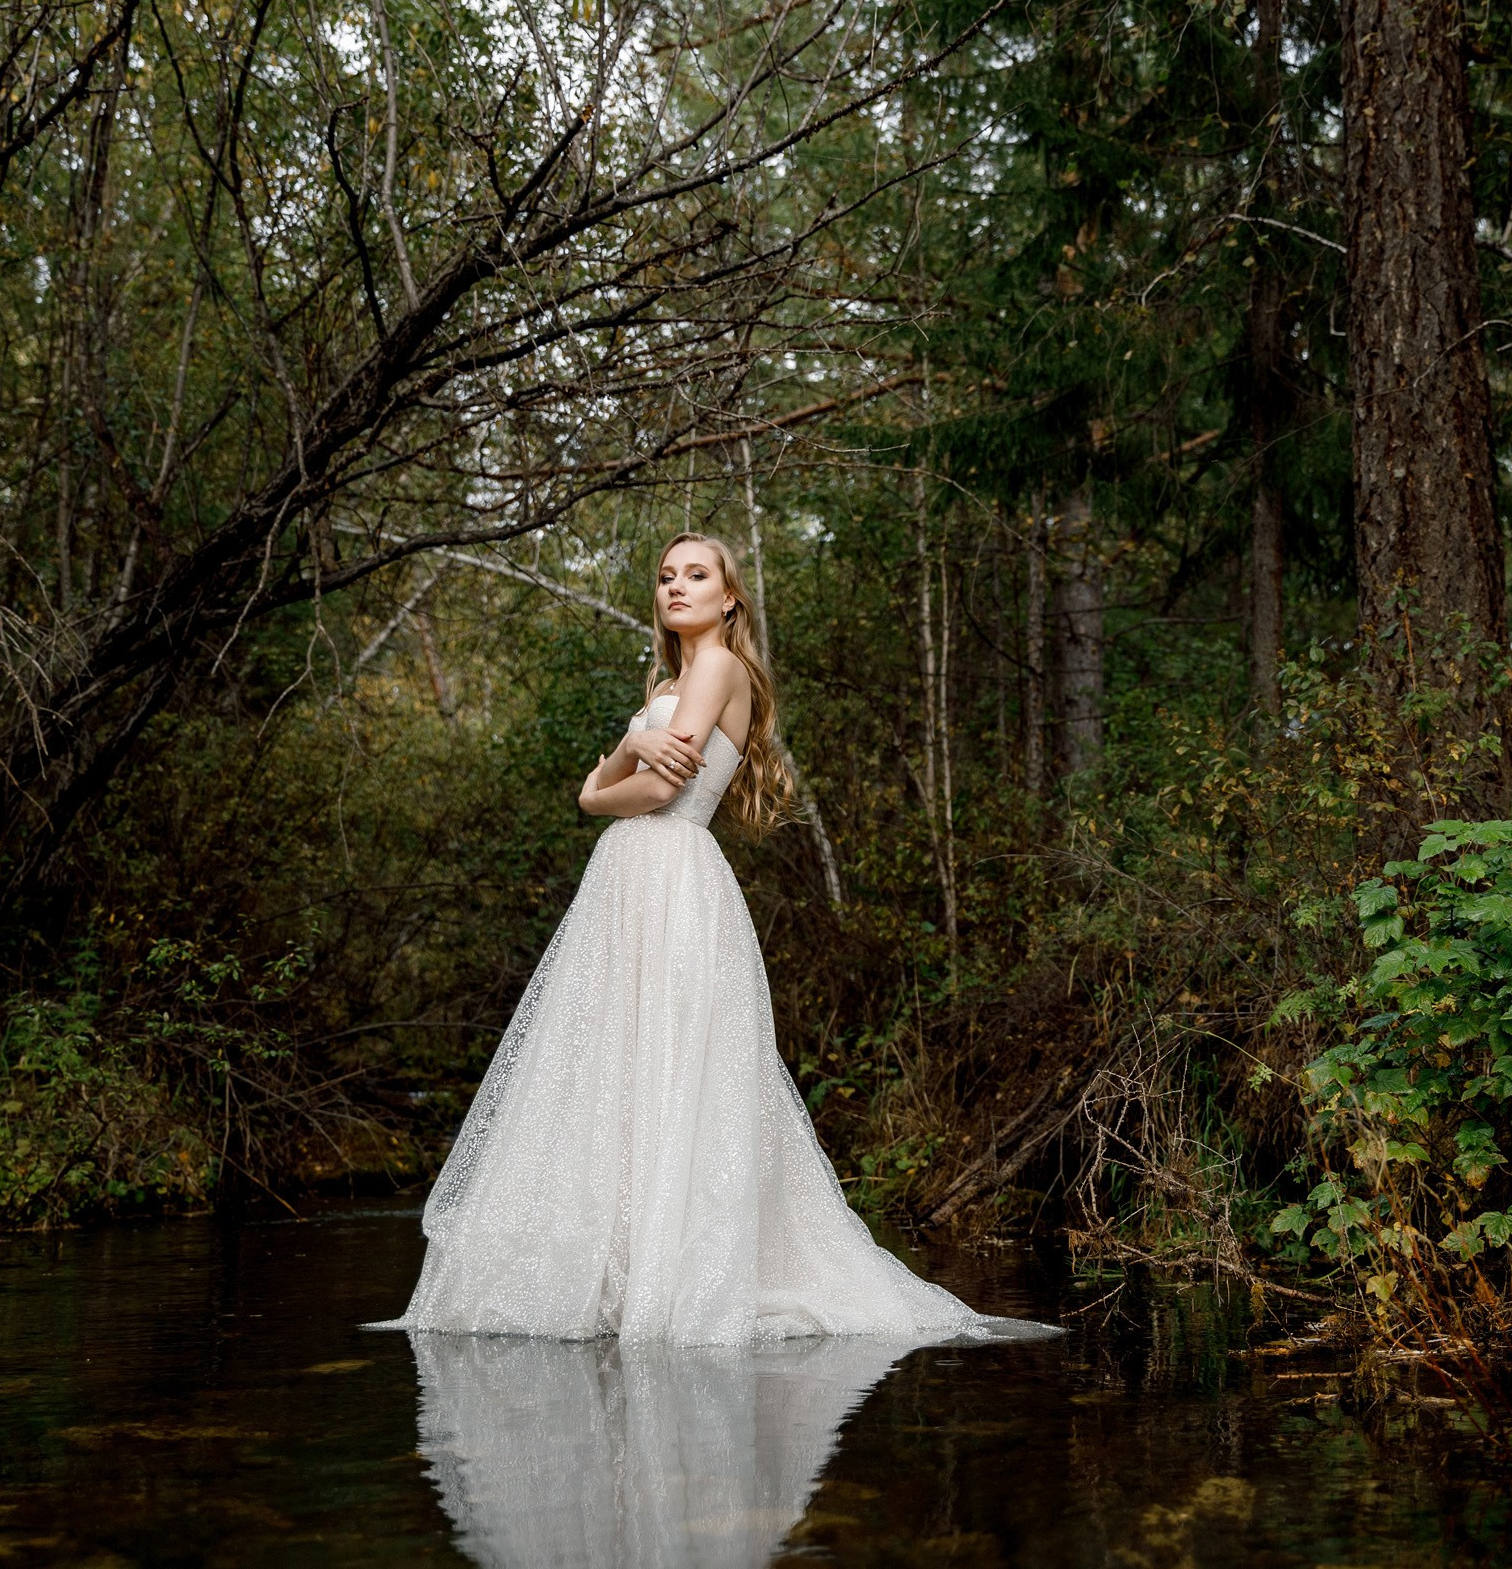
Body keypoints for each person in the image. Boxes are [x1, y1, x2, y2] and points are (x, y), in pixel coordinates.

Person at [373, 532, 1045, 1345]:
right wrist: (621, 753)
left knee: (670, 1060)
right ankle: (619, 1266)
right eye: (665, 576)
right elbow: (623, 772)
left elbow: (653, 789)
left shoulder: (721, 666)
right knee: (617, 1065)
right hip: (628, 885)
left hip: (671, 877)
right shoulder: (669, 680)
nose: (676, 588)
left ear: (730, 597)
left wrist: (603, 781)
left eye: (697, 575)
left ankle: (673, 1273)